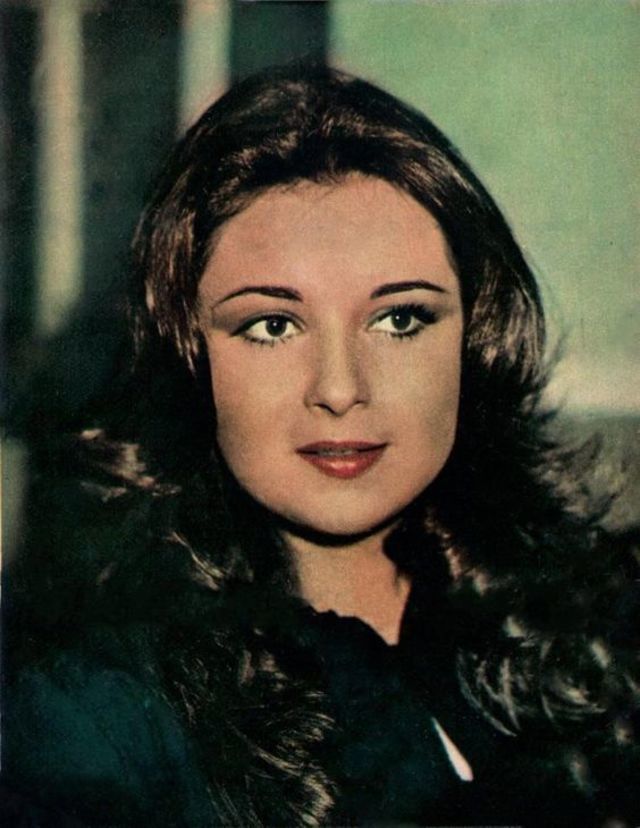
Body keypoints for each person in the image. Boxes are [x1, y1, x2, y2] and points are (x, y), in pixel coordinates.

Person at [3, 65, 639, 827]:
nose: (340, 388)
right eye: (272, 325)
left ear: (475, 340)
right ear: (188, 358)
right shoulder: (87, 717)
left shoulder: (606, 622)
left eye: (400, 319)